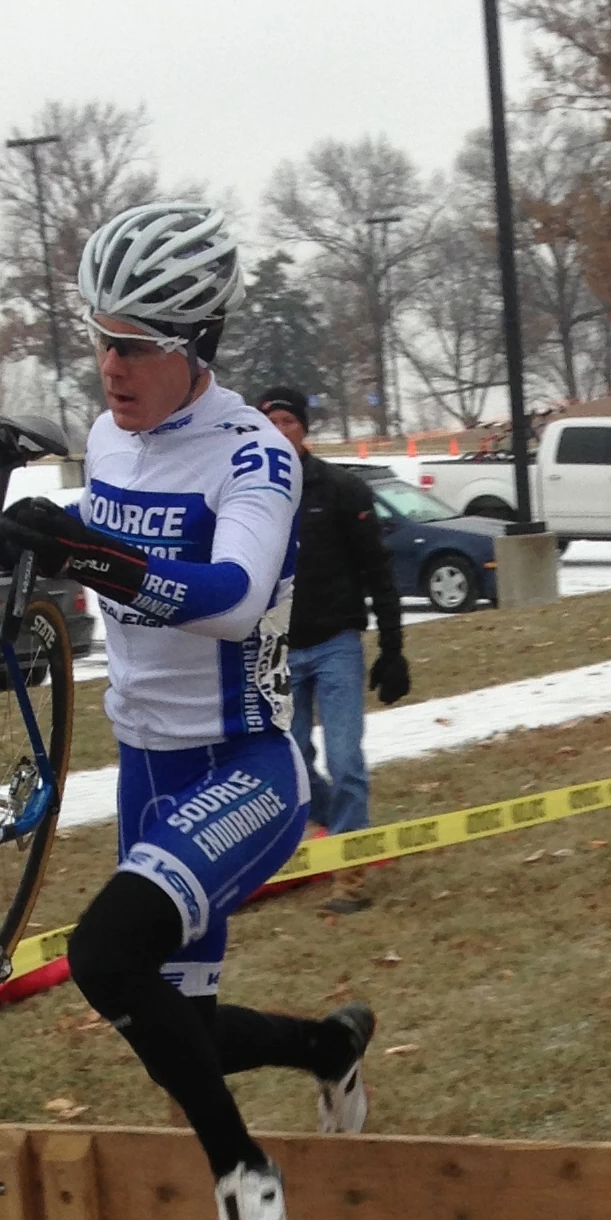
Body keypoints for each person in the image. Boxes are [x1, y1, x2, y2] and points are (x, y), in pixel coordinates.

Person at [0, 203, 374, 1220]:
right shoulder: (108, 438)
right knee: (175, 1033)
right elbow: (93, 559)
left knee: (103, 957)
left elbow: (232, 598)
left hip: (246, 764)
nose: (112, 366)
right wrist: (16, 550)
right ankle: (327, 1045)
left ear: (196, 345)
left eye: (136, 345)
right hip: (146, 765)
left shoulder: (255, 456)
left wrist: (87, 554)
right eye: (100, 339)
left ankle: (245, 1174)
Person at [258, 383, 410, 918]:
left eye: (288, 422)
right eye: (269, 423)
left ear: (304, 429)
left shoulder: (341, 490)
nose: (279, 432)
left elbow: (378, 571)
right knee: (292, 763)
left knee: (346, 761)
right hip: (279, 651)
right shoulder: (250, 495)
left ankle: (350, 875)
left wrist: (392, 649)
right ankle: (343, 829)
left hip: (336, 645)